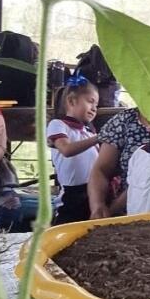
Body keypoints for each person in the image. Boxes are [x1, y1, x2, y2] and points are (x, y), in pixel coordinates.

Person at [46, 77, 100, 224]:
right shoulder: (58, 125)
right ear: (71, 101)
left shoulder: (89, 132)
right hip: (72, 194)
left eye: (96, 104)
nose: (94, 108)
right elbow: (66, 149)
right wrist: (98, 138)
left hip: (93, 191)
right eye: (90, 101)